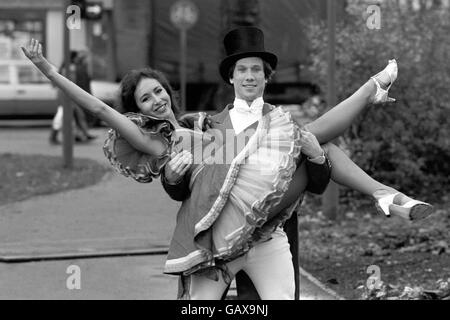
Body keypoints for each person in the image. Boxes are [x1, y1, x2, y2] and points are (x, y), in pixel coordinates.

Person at [22, 34, 432, 300]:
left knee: (313, 139)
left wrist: (310, 155)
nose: (157, 101)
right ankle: (370, 98)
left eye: (159, 92)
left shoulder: (198, 125)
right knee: (307, 134)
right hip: (217, 223)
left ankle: (382, 190)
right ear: (137, 108)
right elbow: (95, 106)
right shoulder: (152, 140)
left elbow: (259, 151)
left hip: (255, 201)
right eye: (146, 99)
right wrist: (48, 71)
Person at [160, 27, 433, 299]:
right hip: (220, 239)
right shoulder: (210, 127)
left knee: (318, 144)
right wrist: (172, 176)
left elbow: (316, 184)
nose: (250, 76)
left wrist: (316, 157)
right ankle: (372, 106)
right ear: (231, 77)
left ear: (267, 78)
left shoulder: (283, 124)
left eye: (257, 70)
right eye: (242, 70)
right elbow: (185, 190)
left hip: (267, 239)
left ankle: (372, 111)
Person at [49, 50, 96, 144]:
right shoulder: (70, 68)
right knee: (63, 114)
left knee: (78, 114)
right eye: (77, 56)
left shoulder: (63, 68)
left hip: (65, 93)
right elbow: (71, 83)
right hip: (67, 94)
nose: (78, 58)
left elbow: (55, 84)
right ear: (73, 58)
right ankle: (54, 135)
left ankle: (84, 134)